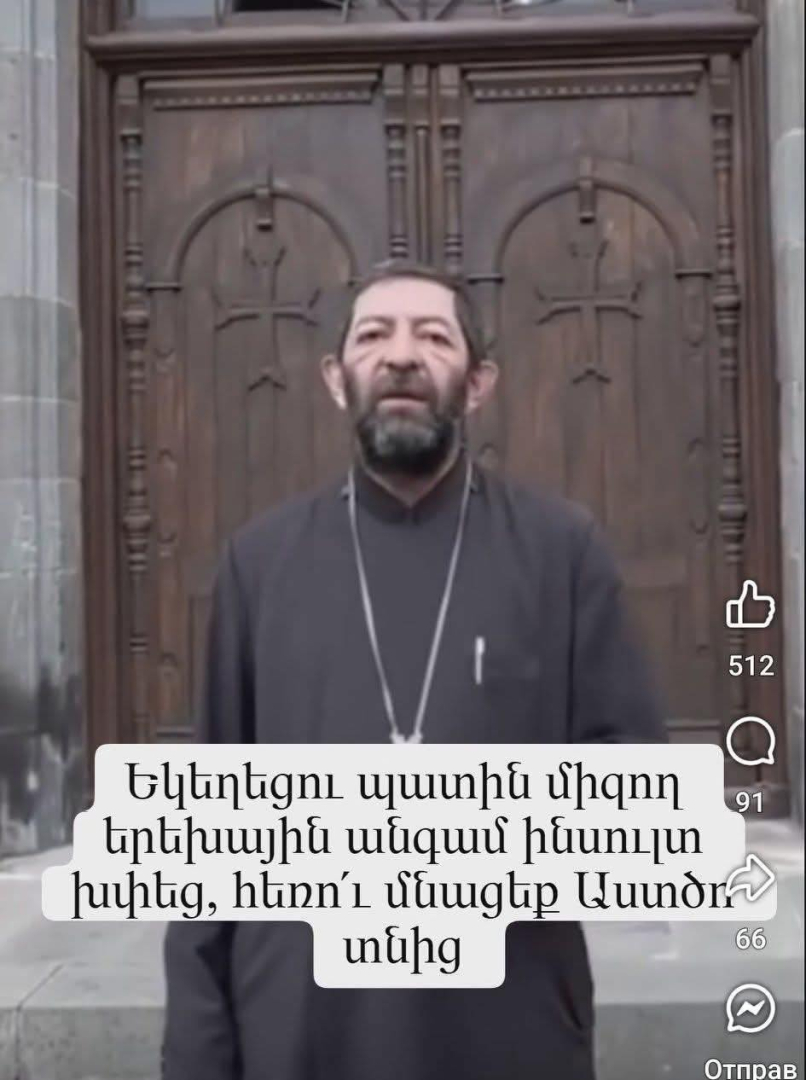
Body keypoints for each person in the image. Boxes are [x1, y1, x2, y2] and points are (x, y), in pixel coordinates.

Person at [161, 259, 666, 1080]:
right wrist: (196, 1051)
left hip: (504, 1020)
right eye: (373, 336)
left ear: (479, 384)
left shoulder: (561, 550)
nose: (401, 356)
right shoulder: (259, 563)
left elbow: (634, 795)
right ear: (336, 379)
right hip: (299, 1024)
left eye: (433, 337)